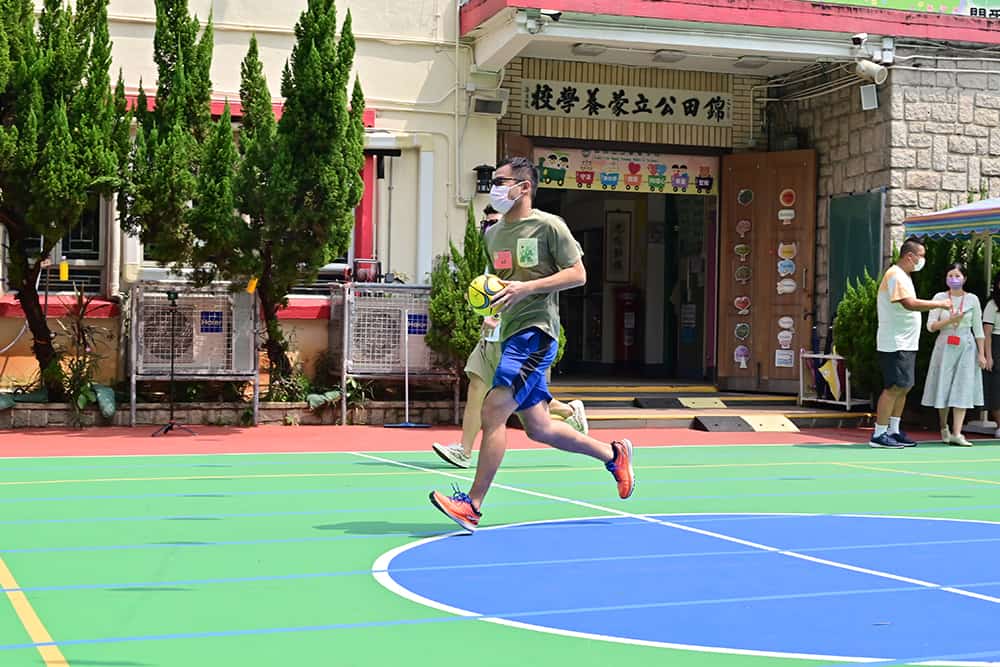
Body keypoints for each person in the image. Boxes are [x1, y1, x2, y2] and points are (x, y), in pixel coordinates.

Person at [429, 157, 635, 531]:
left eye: (501, 181)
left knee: (494, 411)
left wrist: (528, 288)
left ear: (523, 187)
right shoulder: (492, 234)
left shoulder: (549, 226)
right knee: (540, 428)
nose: (494, 188)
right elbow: (501, 281)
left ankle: (472, 505)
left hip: (536, 332)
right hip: (509, 332)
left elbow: (578, 274)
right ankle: (613, 455)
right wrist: (489, 307)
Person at [431, 206, 588, 469]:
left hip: (519, 334)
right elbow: (487, 290)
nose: (489, 226)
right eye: (487, 222)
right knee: (478, 387)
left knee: (527, 414)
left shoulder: (538, 238)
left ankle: (582, 426)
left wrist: (504, 311)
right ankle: (464, 450)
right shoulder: (493, 244)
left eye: (494, 220)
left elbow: (569, 275)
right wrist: (486, 315)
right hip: (492, 335)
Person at [870, 238, 952, 448]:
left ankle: (893, 430)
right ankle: (879, 435)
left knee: (905, 386)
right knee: (893, 387)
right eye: (921, 256)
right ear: (910, 256)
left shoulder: (904, 276)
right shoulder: (895, 275)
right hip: (894, 342)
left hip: (906, 343)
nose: (922, 260)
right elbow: (909, 304)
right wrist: (939, 303)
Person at [920, 263, 986, 447]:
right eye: (950, 275)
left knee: (963, 386)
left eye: (957, 275)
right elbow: (931, 326)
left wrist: (982, 354)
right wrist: (950, 320)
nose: (954, 279)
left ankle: (957, 432)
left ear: (964, 278)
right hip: (945, 344)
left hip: (966, 344)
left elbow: (978, 329)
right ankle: (944, 426)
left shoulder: (972, 299)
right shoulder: (939, 298)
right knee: (944, 385)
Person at [981, 272, 1000, 438]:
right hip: (996, 345)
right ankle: (999, 425)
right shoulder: (992, 305)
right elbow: (986, 332)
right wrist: (988, 356)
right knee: (996, 388)